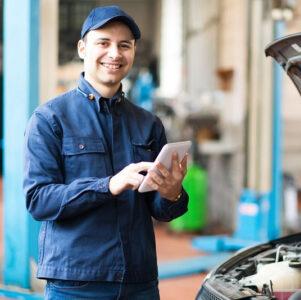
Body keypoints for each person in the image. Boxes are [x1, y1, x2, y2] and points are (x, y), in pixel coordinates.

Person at [23, 6, 189, 299]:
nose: (115, 53)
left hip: (140, 281)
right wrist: (108, 185)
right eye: (104, 43)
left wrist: (172, 192)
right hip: (76, 284)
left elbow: (161, 211)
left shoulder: (148, 124)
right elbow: (38, 200)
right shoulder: (50, 119)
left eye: (124, 45)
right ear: (82, 48)